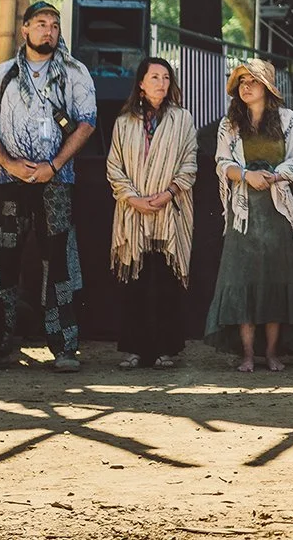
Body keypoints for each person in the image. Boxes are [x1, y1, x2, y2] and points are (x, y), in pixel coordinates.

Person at [0, 1, 97, 373]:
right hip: (9, 181)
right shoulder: (2, 74)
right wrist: (9, 164)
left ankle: (65, 348)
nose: (48, 30)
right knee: (1, 264)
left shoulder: (74, 72)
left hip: (57, 182)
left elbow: (86, 123)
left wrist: (54, 165)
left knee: (60, 263)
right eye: (40, 23)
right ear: (24, 29)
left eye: (54, 24)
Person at [206, 58, 293, 371]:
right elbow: (221, 162)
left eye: (252, 81)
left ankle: (271, 353)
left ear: (267, 87)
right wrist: (245, 175)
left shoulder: (288, 120)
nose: (246, 87)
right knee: (243, 280)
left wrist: (275, 175)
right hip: (243, 214)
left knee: (275, 281)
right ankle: (247, 354)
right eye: (242, 82)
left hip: (276, 211)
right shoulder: (230, 124)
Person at [106, 55, 196, 371]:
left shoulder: (182, 120)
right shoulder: (124, 122)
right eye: (155, 77)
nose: (161, 83)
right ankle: (134, 350)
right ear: (141, 84)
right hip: (133, 213)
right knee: (135, 281)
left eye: (166, 78)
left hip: (169, 212)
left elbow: (189, 163)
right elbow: (114, 166)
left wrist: (168, 193)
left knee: (166, 282)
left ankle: (164, 351)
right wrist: (134, 199)